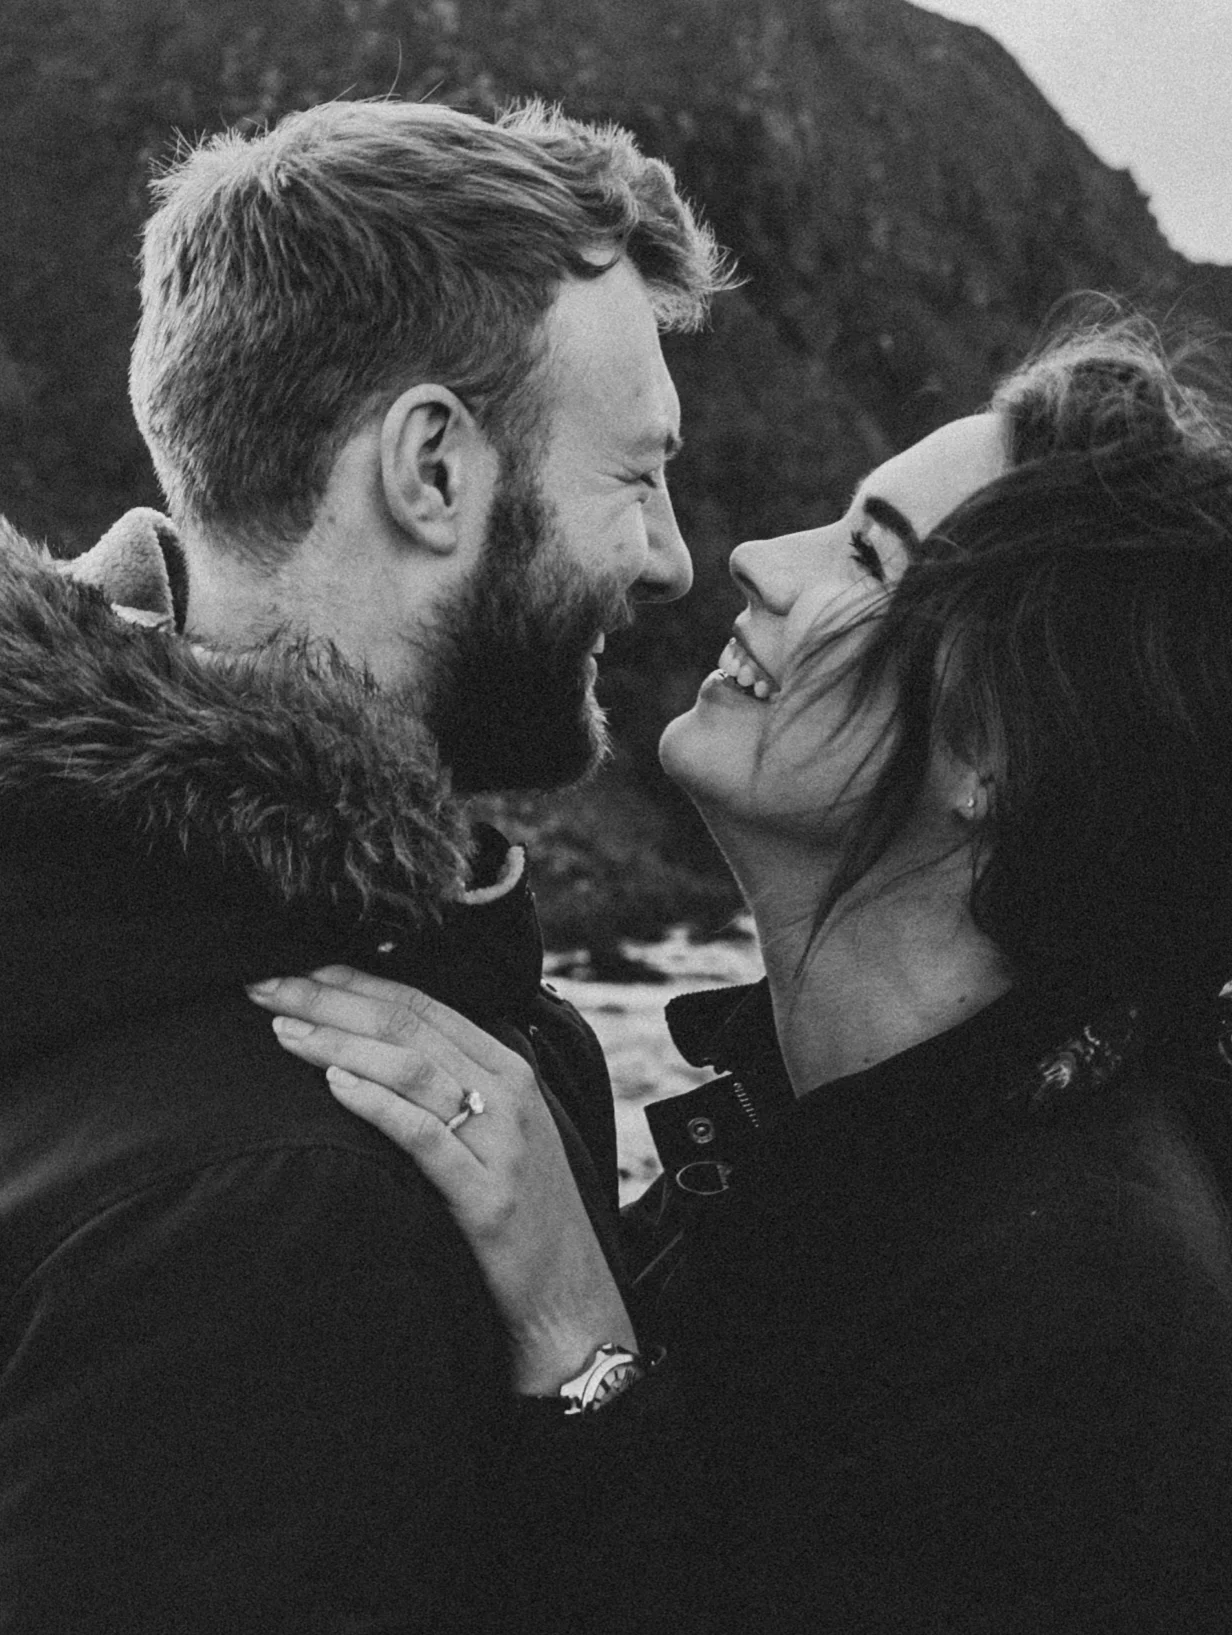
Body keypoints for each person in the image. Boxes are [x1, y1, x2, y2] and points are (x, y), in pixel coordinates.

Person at [251, 312, 1232, 1632]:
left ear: (1006, 751)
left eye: (870, 560)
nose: (758, 561)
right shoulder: (824, 1138)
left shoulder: (1095, 1311)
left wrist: (583, 1343)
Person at [0, 98, 729, 1632]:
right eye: (637, 474)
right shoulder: (292, 1198)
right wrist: (593, 1373)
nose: (668, 556)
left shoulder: (87, 909)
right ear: (434, 471)